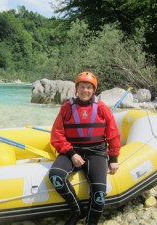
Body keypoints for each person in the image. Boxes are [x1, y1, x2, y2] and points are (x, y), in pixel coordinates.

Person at [49, 72, 121, 225]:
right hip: (72, 150)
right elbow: (57, 135)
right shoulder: (67, 107)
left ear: (94, 90)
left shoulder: (101, 108)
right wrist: (71, 153)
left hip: (96, 152)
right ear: (77, 88)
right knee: (55, 176)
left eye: (89, 87)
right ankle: (78, 210)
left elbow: (113, 133)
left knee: (100, 195)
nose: (85, 91)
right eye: (82, 87)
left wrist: (113, 158)